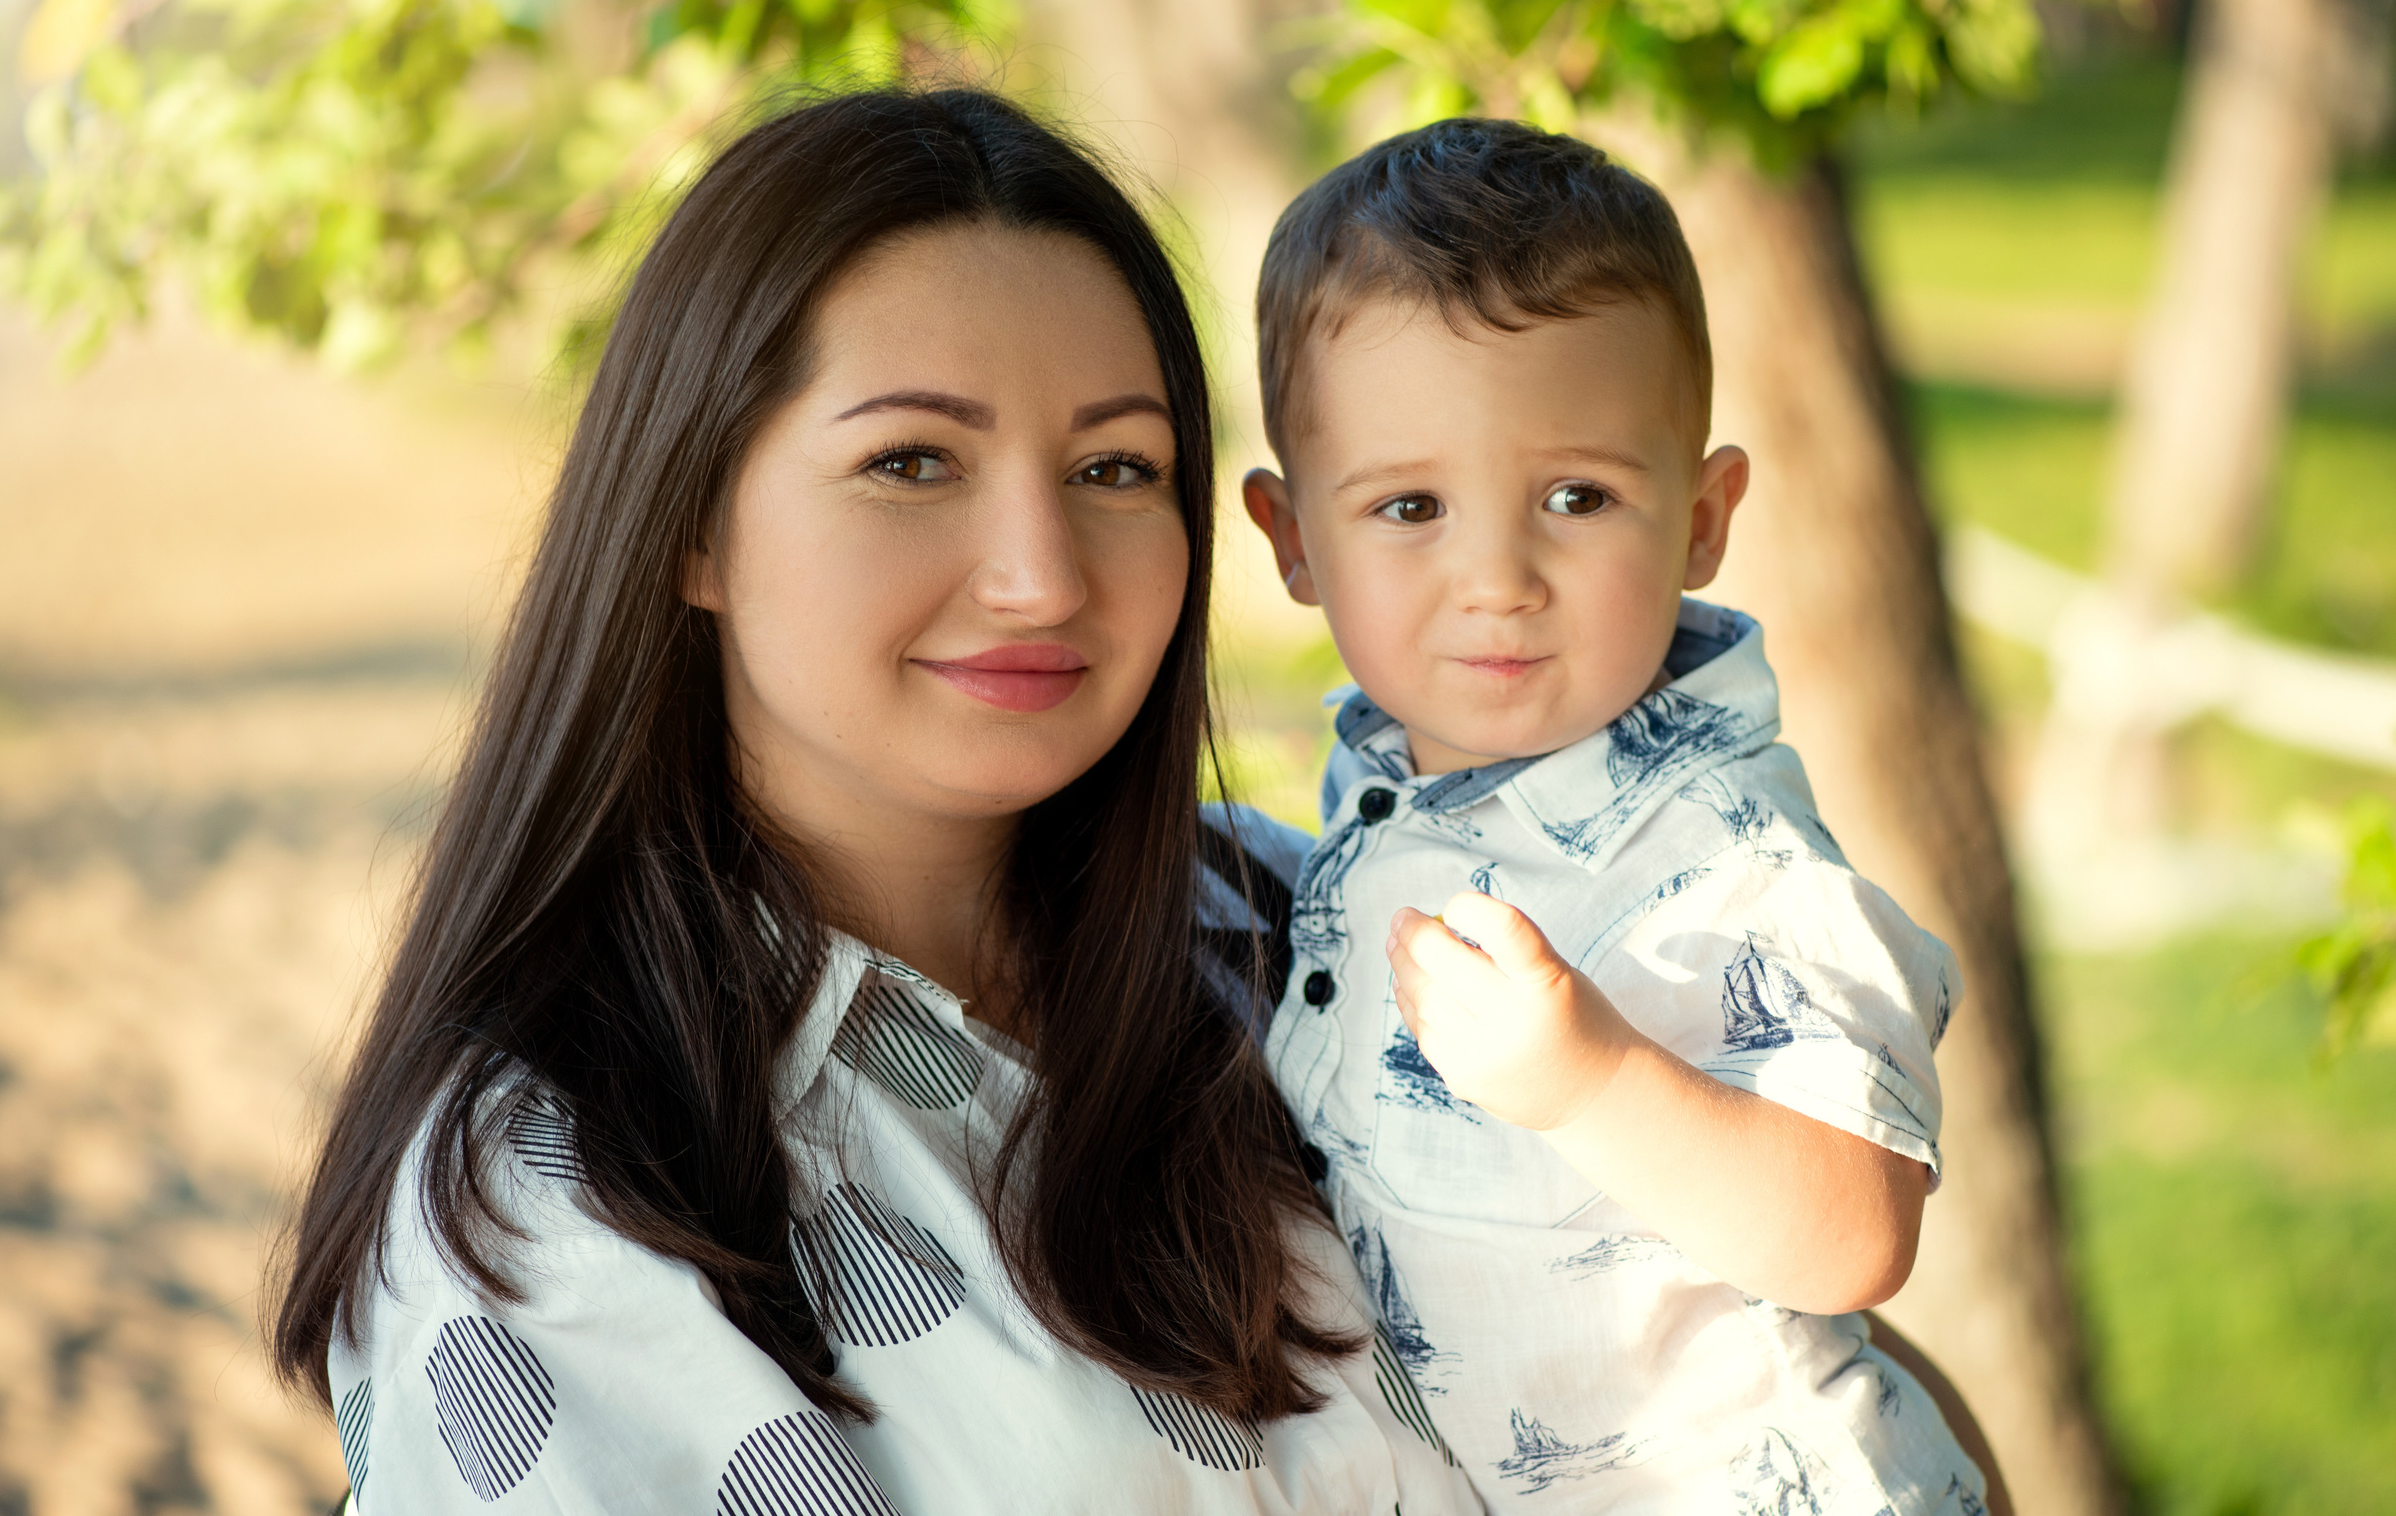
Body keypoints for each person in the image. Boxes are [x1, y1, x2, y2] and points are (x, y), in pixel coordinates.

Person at [266, 87, 1484, 1514]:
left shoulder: (1309, 932)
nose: (1042, 573)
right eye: (912, 461)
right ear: (693, 526)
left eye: (1114, 467)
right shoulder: (557, 1190)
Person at [1239, 118, 2003, 1514]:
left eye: (1577, 497)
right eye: (1409, 504)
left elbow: (1854, 1237)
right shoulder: (1387, 791)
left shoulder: (1720, 855)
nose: (1498, 576)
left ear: (1703, 518)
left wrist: (1592, 1081)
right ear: (1294, 542)